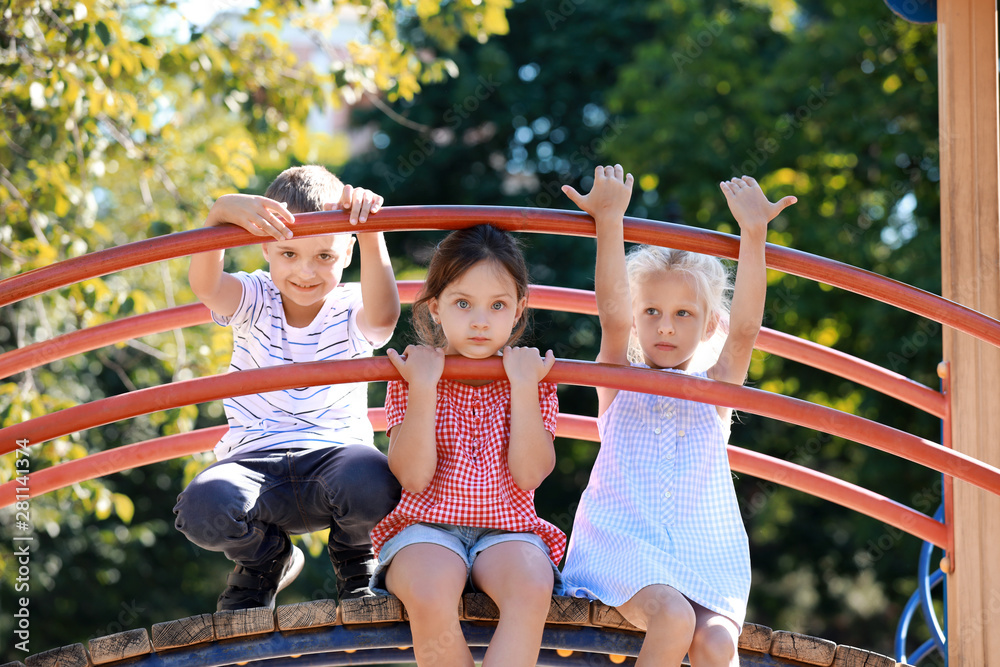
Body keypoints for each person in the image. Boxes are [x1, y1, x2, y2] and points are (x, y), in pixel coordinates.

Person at [560, 165, 797, 666]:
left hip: (704, 548)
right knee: (673, 619)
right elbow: (611, 313)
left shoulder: (715, 389)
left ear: (709, 321)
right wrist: (609, 221)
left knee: (716, 644)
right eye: (652, 312)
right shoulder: (620, 380)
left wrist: (754, 235)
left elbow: (747, 330)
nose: (664, 328)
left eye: (682, 314)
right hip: (622, 542)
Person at [173, 165, 402, 611]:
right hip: (255, 463)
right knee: (202, 507)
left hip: (335, 458)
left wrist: (373, 232)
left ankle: (356, 557)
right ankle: (265, 560)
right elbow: (206, 285)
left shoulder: (349, 303)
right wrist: (219, 215)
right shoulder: (254, 298)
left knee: (376, 479)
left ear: (348, 253)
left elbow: (384, 319)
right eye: (289, 254)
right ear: (264, 248)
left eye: (325, 256)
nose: (306, 272)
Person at [369, 224, 564, 667]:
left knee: (532, 587)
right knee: (428, 588)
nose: (480, 320)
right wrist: (423, 388)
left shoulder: (530, 379)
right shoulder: (413, 374)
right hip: (427, 527)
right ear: (435, 308)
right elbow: (413, 477)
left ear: (518, 312)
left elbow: (530, 475)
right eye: (463, 303)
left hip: (509, 529)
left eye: (498, 305)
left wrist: (522, 388)